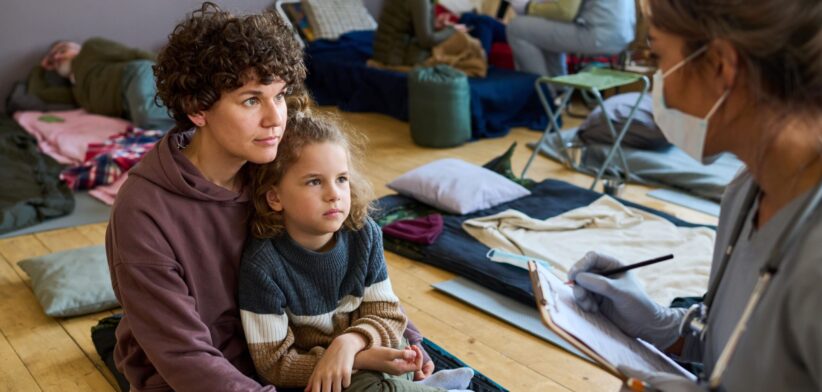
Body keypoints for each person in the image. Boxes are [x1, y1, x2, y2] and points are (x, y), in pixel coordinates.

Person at [105, 3, 433, 391]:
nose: (275, 118)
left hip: (297, 345)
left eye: (278, 96)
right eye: (251, 100)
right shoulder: (142, 213)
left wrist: (402, 337)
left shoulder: (272, 163)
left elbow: (345, 258)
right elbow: (184, 357)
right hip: (202, 374)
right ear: (197, 109)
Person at [566, 0, 822, 390]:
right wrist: (662, 326)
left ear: (720, 66)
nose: (657, 80)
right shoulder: (746, 192)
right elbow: (734, 348)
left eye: (657, 56)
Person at [240, 113, 474, 392]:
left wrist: (351, 343)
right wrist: (358, 360)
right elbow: (275, 365)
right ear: (275, 197)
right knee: (367, 387)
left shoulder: (364, 234)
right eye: (314, 182)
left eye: (341, 179)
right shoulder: (262, 266)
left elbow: (387, 313)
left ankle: (415, 385)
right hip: (320, 374)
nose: (334, 194)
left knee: (401, 349)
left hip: (366, 343)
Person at [34, 37, 175, 130]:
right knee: (156, 131)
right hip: (128, 105)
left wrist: (174, 69)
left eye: (62, 50)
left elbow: (132, 53)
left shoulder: (89, 48)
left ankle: (193, 110)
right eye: (53, 58)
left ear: (75, 48)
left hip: (133, 76)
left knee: (145, 116)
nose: (58, 57)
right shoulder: (76, 92)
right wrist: (41, 68)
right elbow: (41, 92)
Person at [505, 0, 635, 77]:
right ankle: (559, 91)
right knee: (545, 32)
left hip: (597, 36)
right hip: (623, 39)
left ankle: (540, 93)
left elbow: (564, 12)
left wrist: (528, 7)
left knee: (516, 28)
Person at [372, 0, 467, 67]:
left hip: (385, 52)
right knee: (463, 46)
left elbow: (410, 23)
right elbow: (426, 41)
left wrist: (436, 24)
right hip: (394, 57)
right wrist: (452, 29)